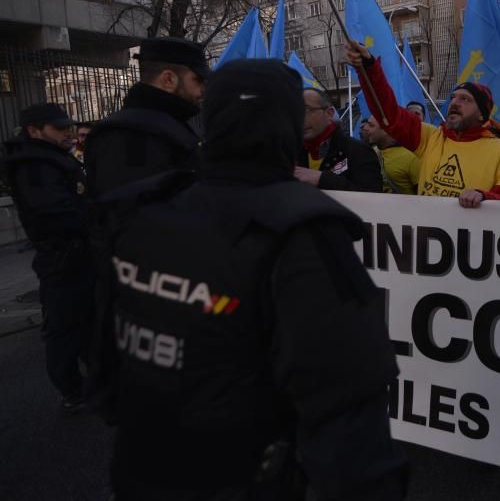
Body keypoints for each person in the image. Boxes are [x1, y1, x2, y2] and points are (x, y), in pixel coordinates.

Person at [105, 59, 407, 499]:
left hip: (138, 470)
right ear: (283, 123)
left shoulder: (140, 211)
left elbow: (104, 362)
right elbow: (348, 412)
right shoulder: (302, 234)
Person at [346, 40, 500, 207]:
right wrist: (369, 67)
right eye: (453, 98)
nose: (454, 103)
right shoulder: (432, 137)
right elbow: (388, 112)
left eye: (465, 99)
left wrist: (483, 196)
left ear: (482, 115)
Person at [3, 104, 93, 410]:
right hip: (62, 256)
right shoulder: (34, 166)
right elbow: (55, 215)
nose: (67, 132)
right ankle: (72, 390)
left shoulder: (50, 158)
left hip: (77, 253)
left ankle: (99, 378)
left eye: (68, 126)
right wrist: (94, 220)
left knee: (87, 320)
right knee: (64, 327)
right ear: (34, 130)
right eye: (59, 128)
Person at [85, 37, 207, 198]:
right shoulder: (129, 135)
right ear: (168, 79)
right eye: (198, 80)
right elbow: (131, 213)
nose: (203, 89)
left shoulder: (171, 123)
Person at [296, 87, 381, 192]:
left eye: (306, 110)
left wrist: (322, 179)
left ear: (329, 113)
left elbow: (372, 197)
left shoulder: (358, 151)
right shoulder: (290, 154)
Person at [361, 115, 421, 195]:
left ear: (387, 130)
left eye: (371, 125)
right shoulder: (373, 152)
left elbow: (423, 196)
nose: (365, 127)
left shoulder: (412, 158)